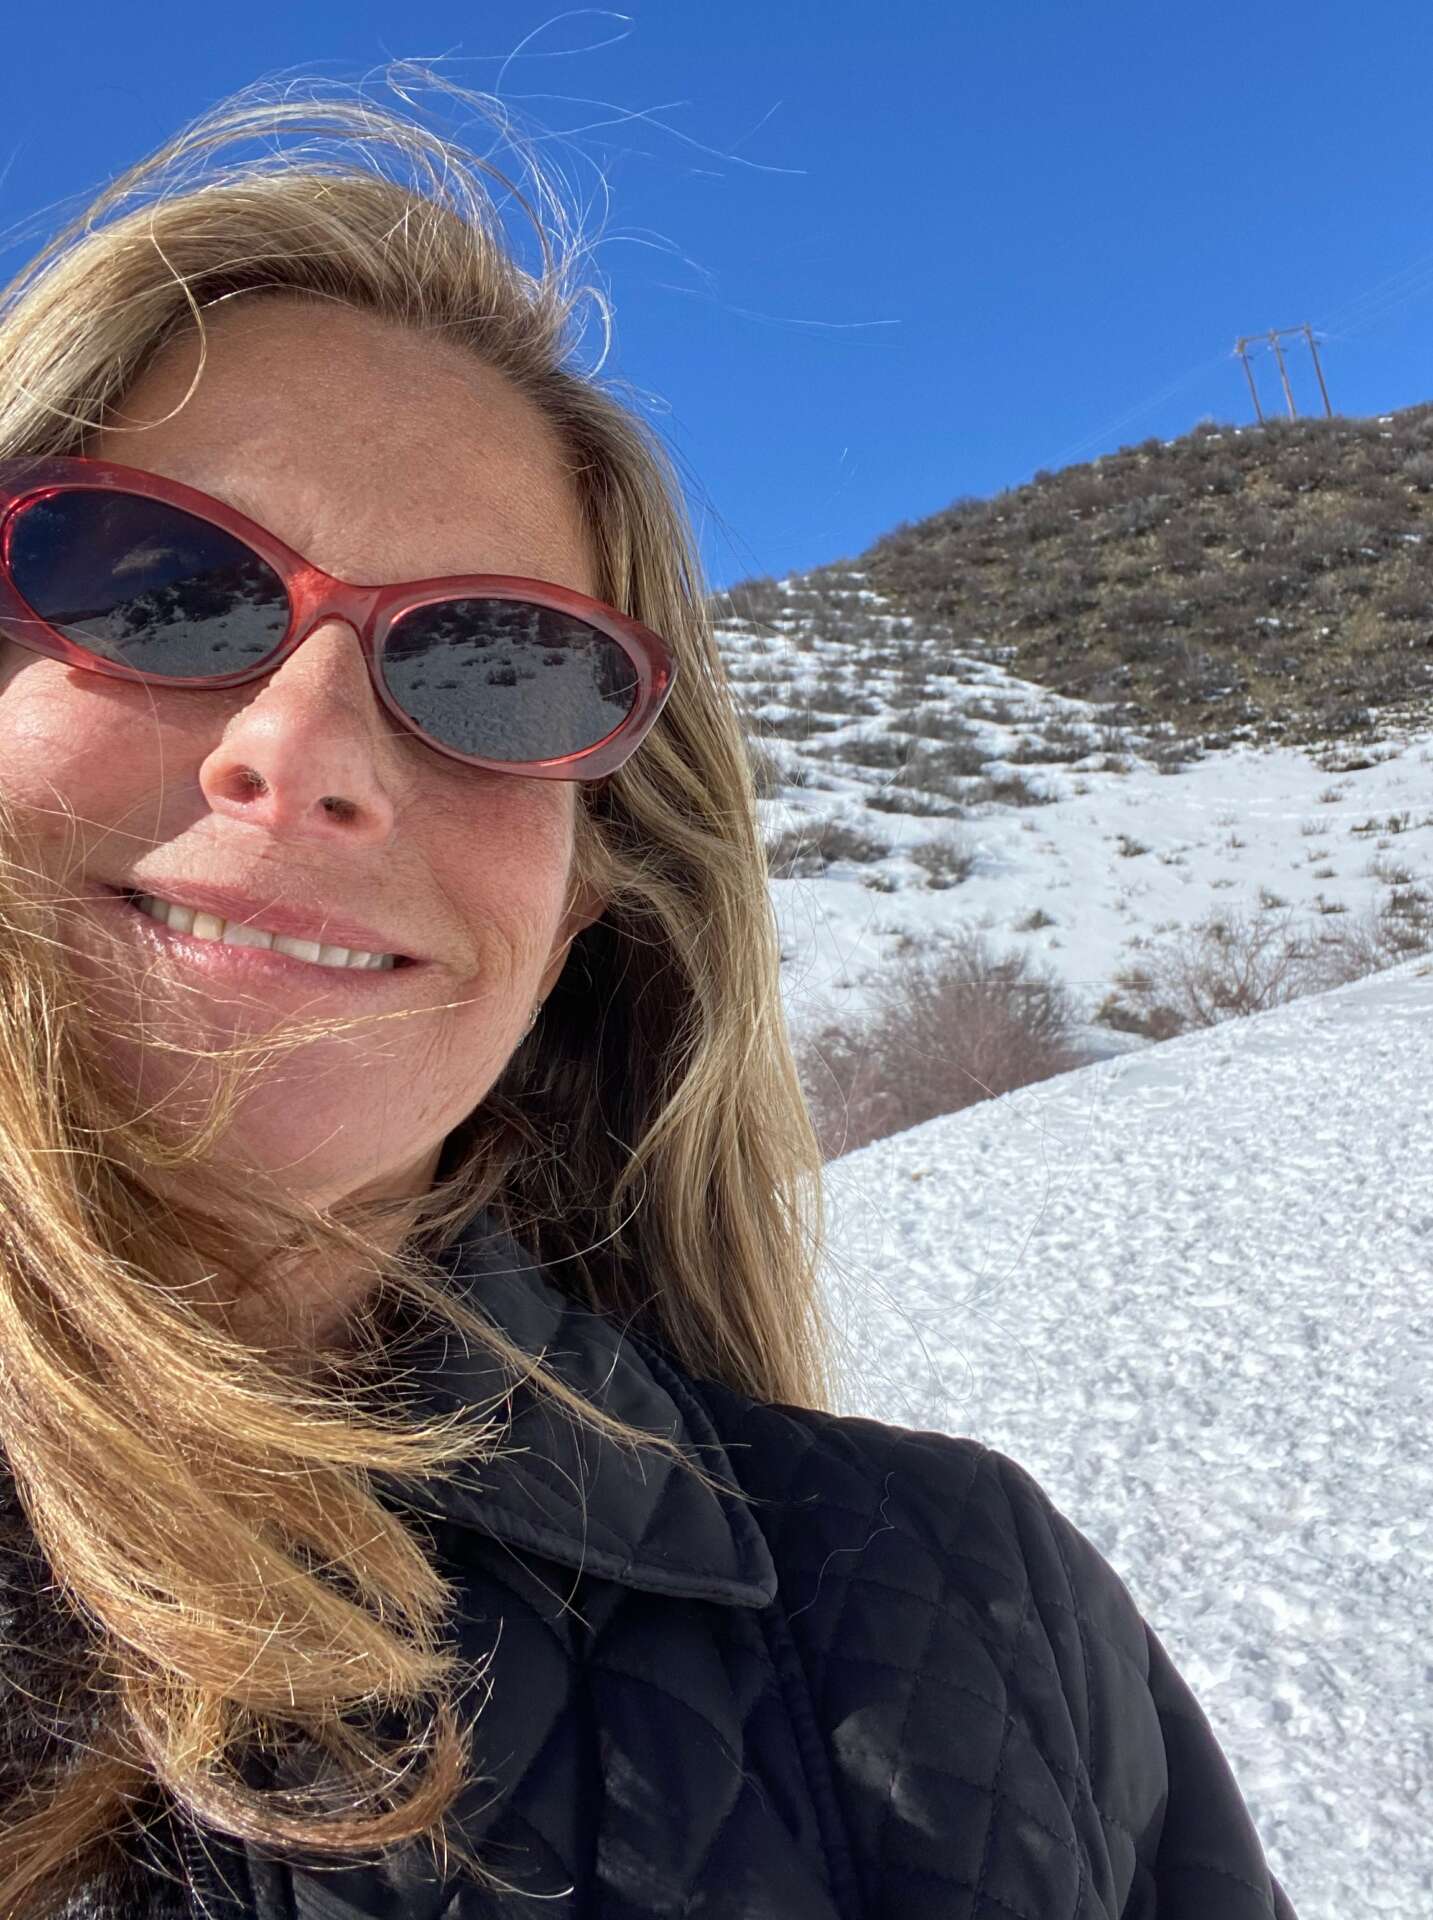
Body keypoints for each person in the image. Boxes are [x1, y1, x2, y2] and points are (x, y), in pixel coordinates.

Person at [0, 78, 1295, 1920]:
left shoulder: (965, 1619)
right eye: (153, 587)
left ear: (585, 895)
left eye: (501, 669)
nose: (306, 754)